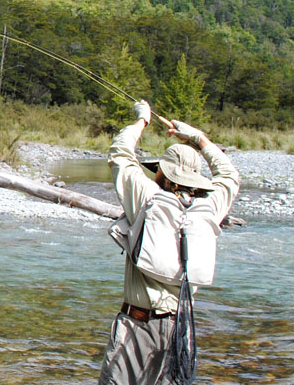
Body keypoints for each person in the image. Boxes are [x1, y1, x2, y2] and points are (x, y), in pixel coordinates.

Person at [98, 100, 240, 385]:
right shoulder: (210, 205)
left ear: (167, 176)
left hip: (137, 325)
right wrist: (199, 138)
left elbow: (119, 154)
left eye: (159, 169)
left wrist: (142, 120)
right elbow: (230, 175)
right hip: (181, 329)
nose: (155, 172)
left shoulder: (147, 197)